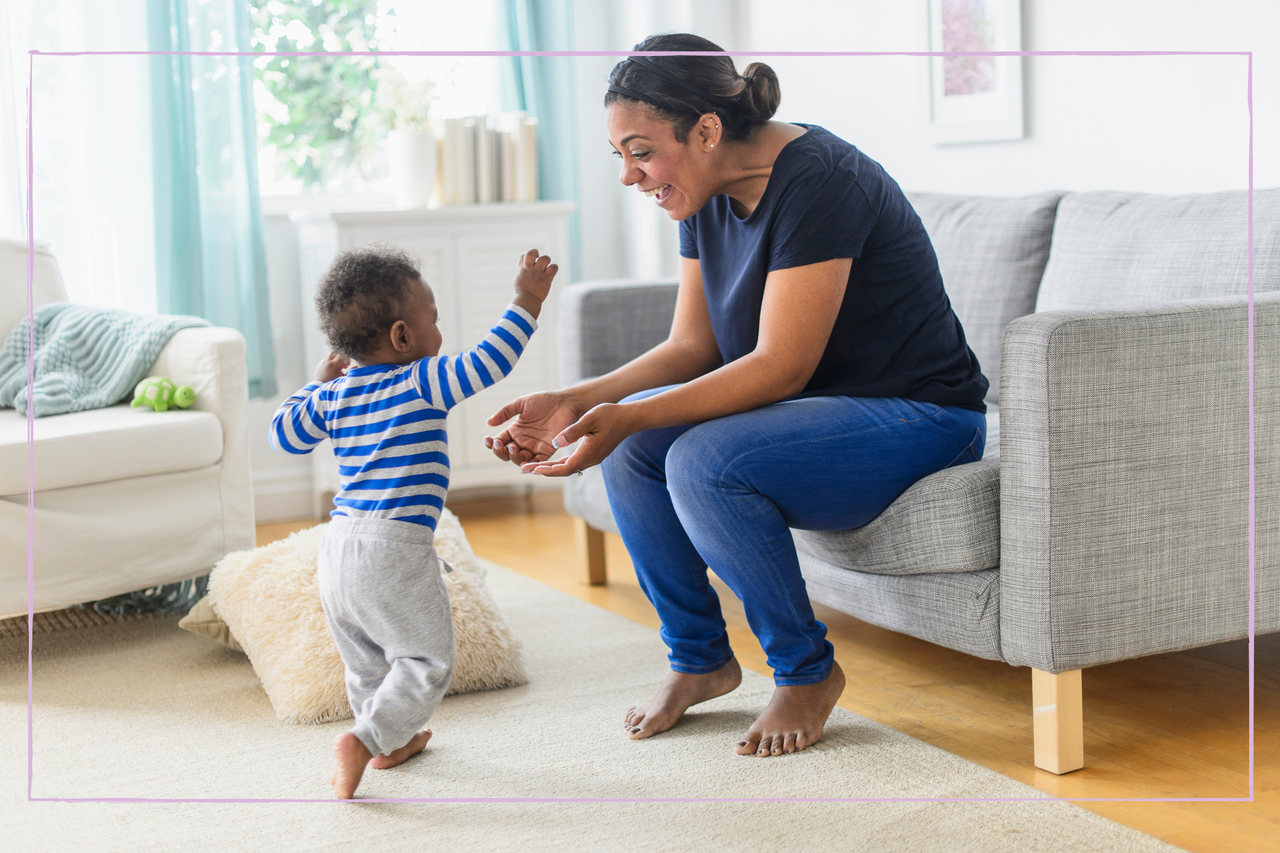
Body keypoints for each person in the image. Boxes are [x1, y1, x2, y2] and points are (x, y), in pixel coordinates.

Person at [484, 33, 988, 759]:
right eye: (619, 155)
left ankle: (807, 671)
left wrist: (628, 414)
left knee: (702, 460)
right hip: (816, 417)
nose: (630, 175)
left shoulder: (822, 179)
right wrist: (575, 400)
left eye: (641, 150)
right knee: (634, 455)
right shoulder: (703, 191)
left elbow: (781, 365)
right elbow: (695, 346)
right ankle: (700, 659)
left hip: (923, 415)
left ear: (708, 129)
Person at [271, 245, 558, 798]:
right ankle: (365, 737)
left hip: (336, 551)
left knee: (366, 660)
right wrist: (526, 299)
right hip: (394, 545)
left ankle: (387, 739)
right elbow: (491, 359)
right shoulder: (421, 380)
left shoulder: (333, 396)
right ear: (403, 338)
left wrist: (315, 382)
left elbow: (284, 434)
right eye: (434, 321)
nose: (440, 333)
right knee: (425, 658)